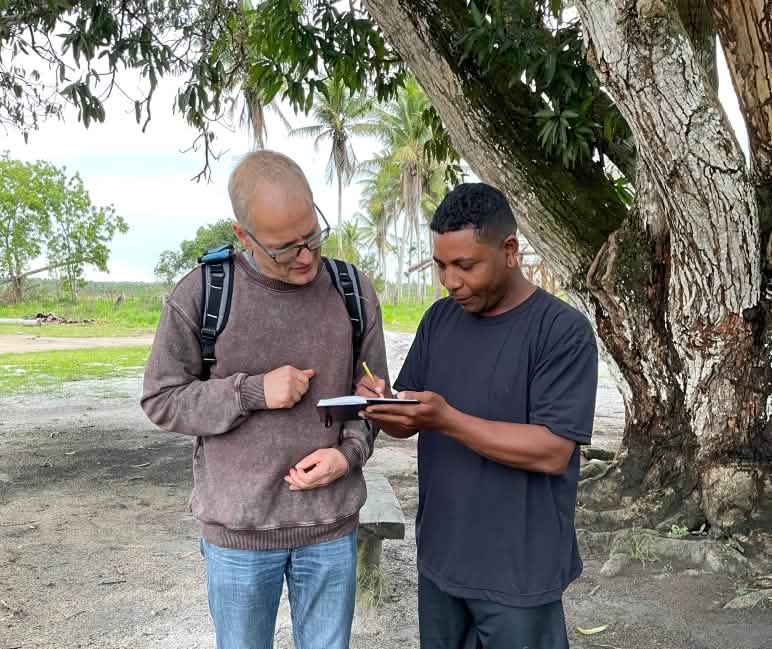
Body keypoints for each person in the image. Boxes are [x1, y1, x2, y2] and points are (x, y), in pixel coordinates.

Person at [142, 150, 389, 649]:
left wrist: (349, 454)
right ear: (243, 236)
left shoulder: (352, 290)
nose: (306, 257)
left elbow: (371, 396)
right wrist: (251, 392)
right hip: (240, 535)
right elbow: (162, 398)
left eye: (312, 236)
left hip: (331, 528)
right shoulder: (203, 294)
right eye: (284, 248)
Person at [358, 183, 598, 649]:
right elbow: (408, 421)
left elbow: (552, 451)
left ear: (509, 251)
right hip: (442, 558)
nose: (450, 281)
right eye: (441, 265)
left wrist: (447, 419)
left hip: (518, 570)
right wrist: (382, 404)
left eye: (465, 266)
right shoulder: (439, 320)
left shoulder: (561, 331)